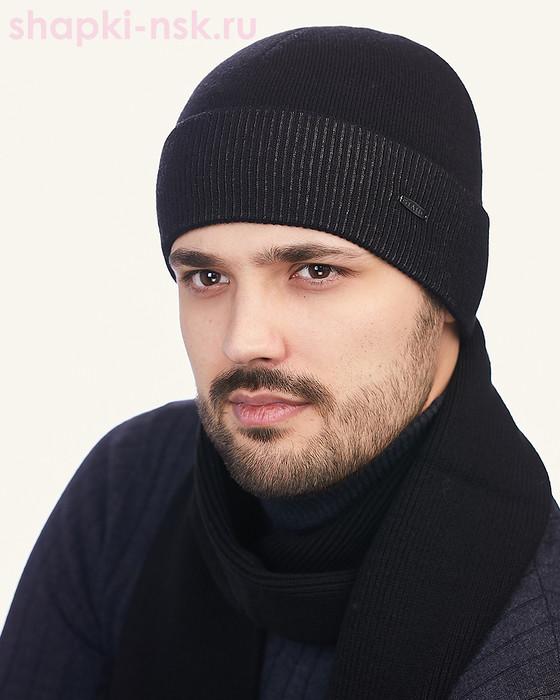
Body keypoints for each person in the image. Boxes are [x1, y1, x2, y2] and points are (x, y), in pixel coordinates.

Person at [1, 25, 558, 700]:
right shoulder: (131, 489)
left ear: (445, 292)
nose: (243, 341)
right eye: (207, 278)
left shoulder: (534, 641)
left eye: (315, 270)